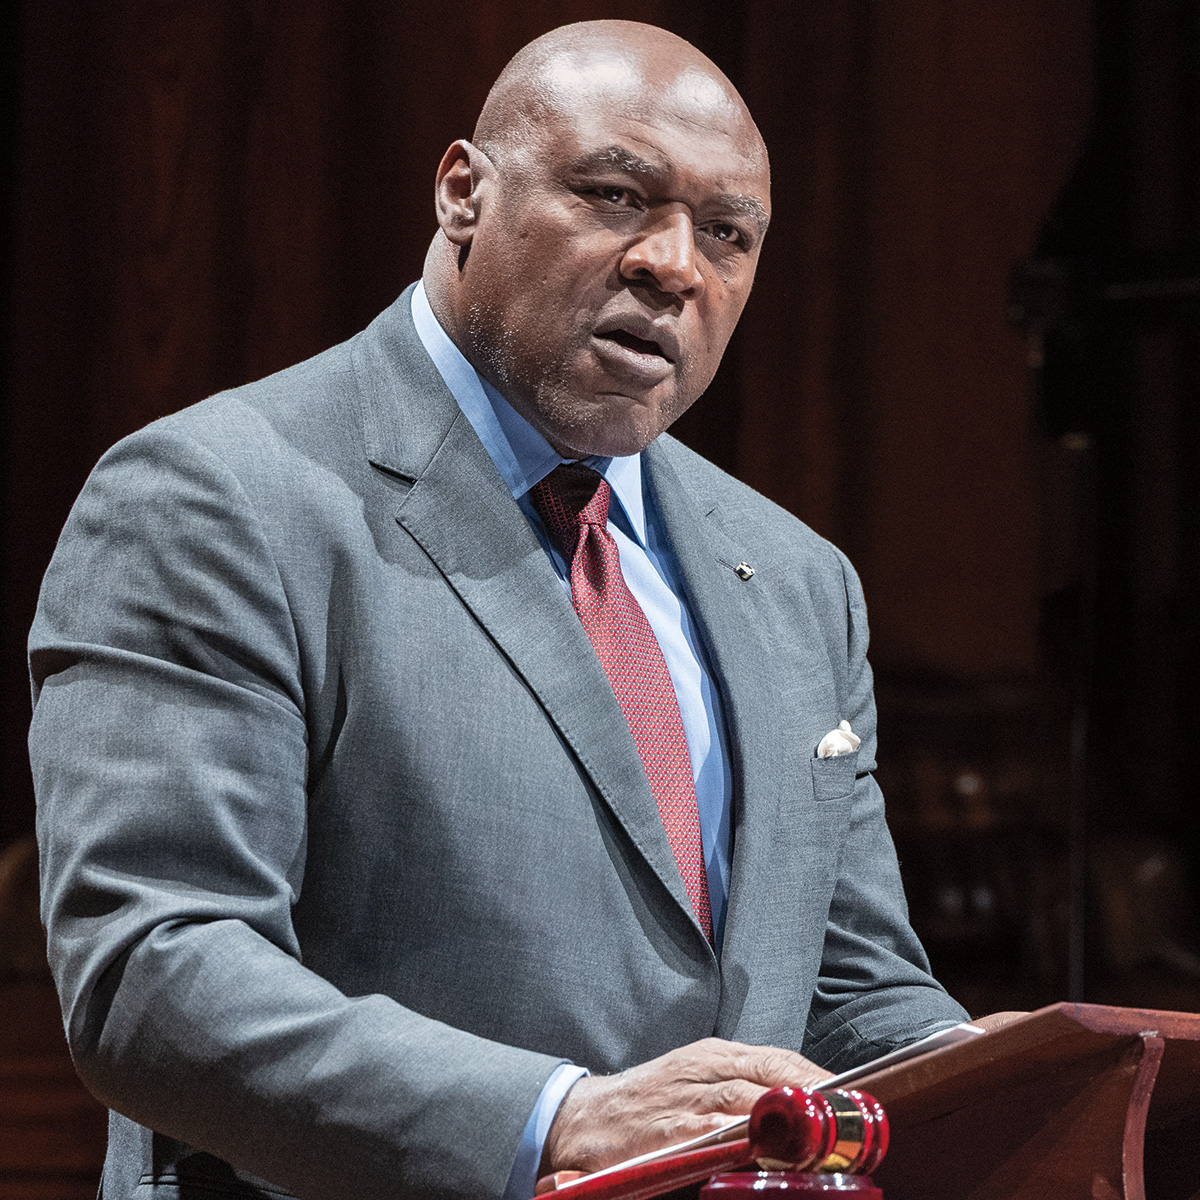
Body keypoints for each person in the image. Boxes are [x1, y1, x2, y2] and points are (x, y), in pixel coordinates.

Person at [30, 20, 982, 1200]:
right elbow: (155, 974)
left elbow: (847, 993)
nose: (674, 264)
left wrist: (1033, 1084)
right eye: (616, 194)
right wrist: (557, 1120)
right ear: (463, 194)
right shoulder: (218, 499)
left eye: (728, 234)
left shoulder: (797, 580)